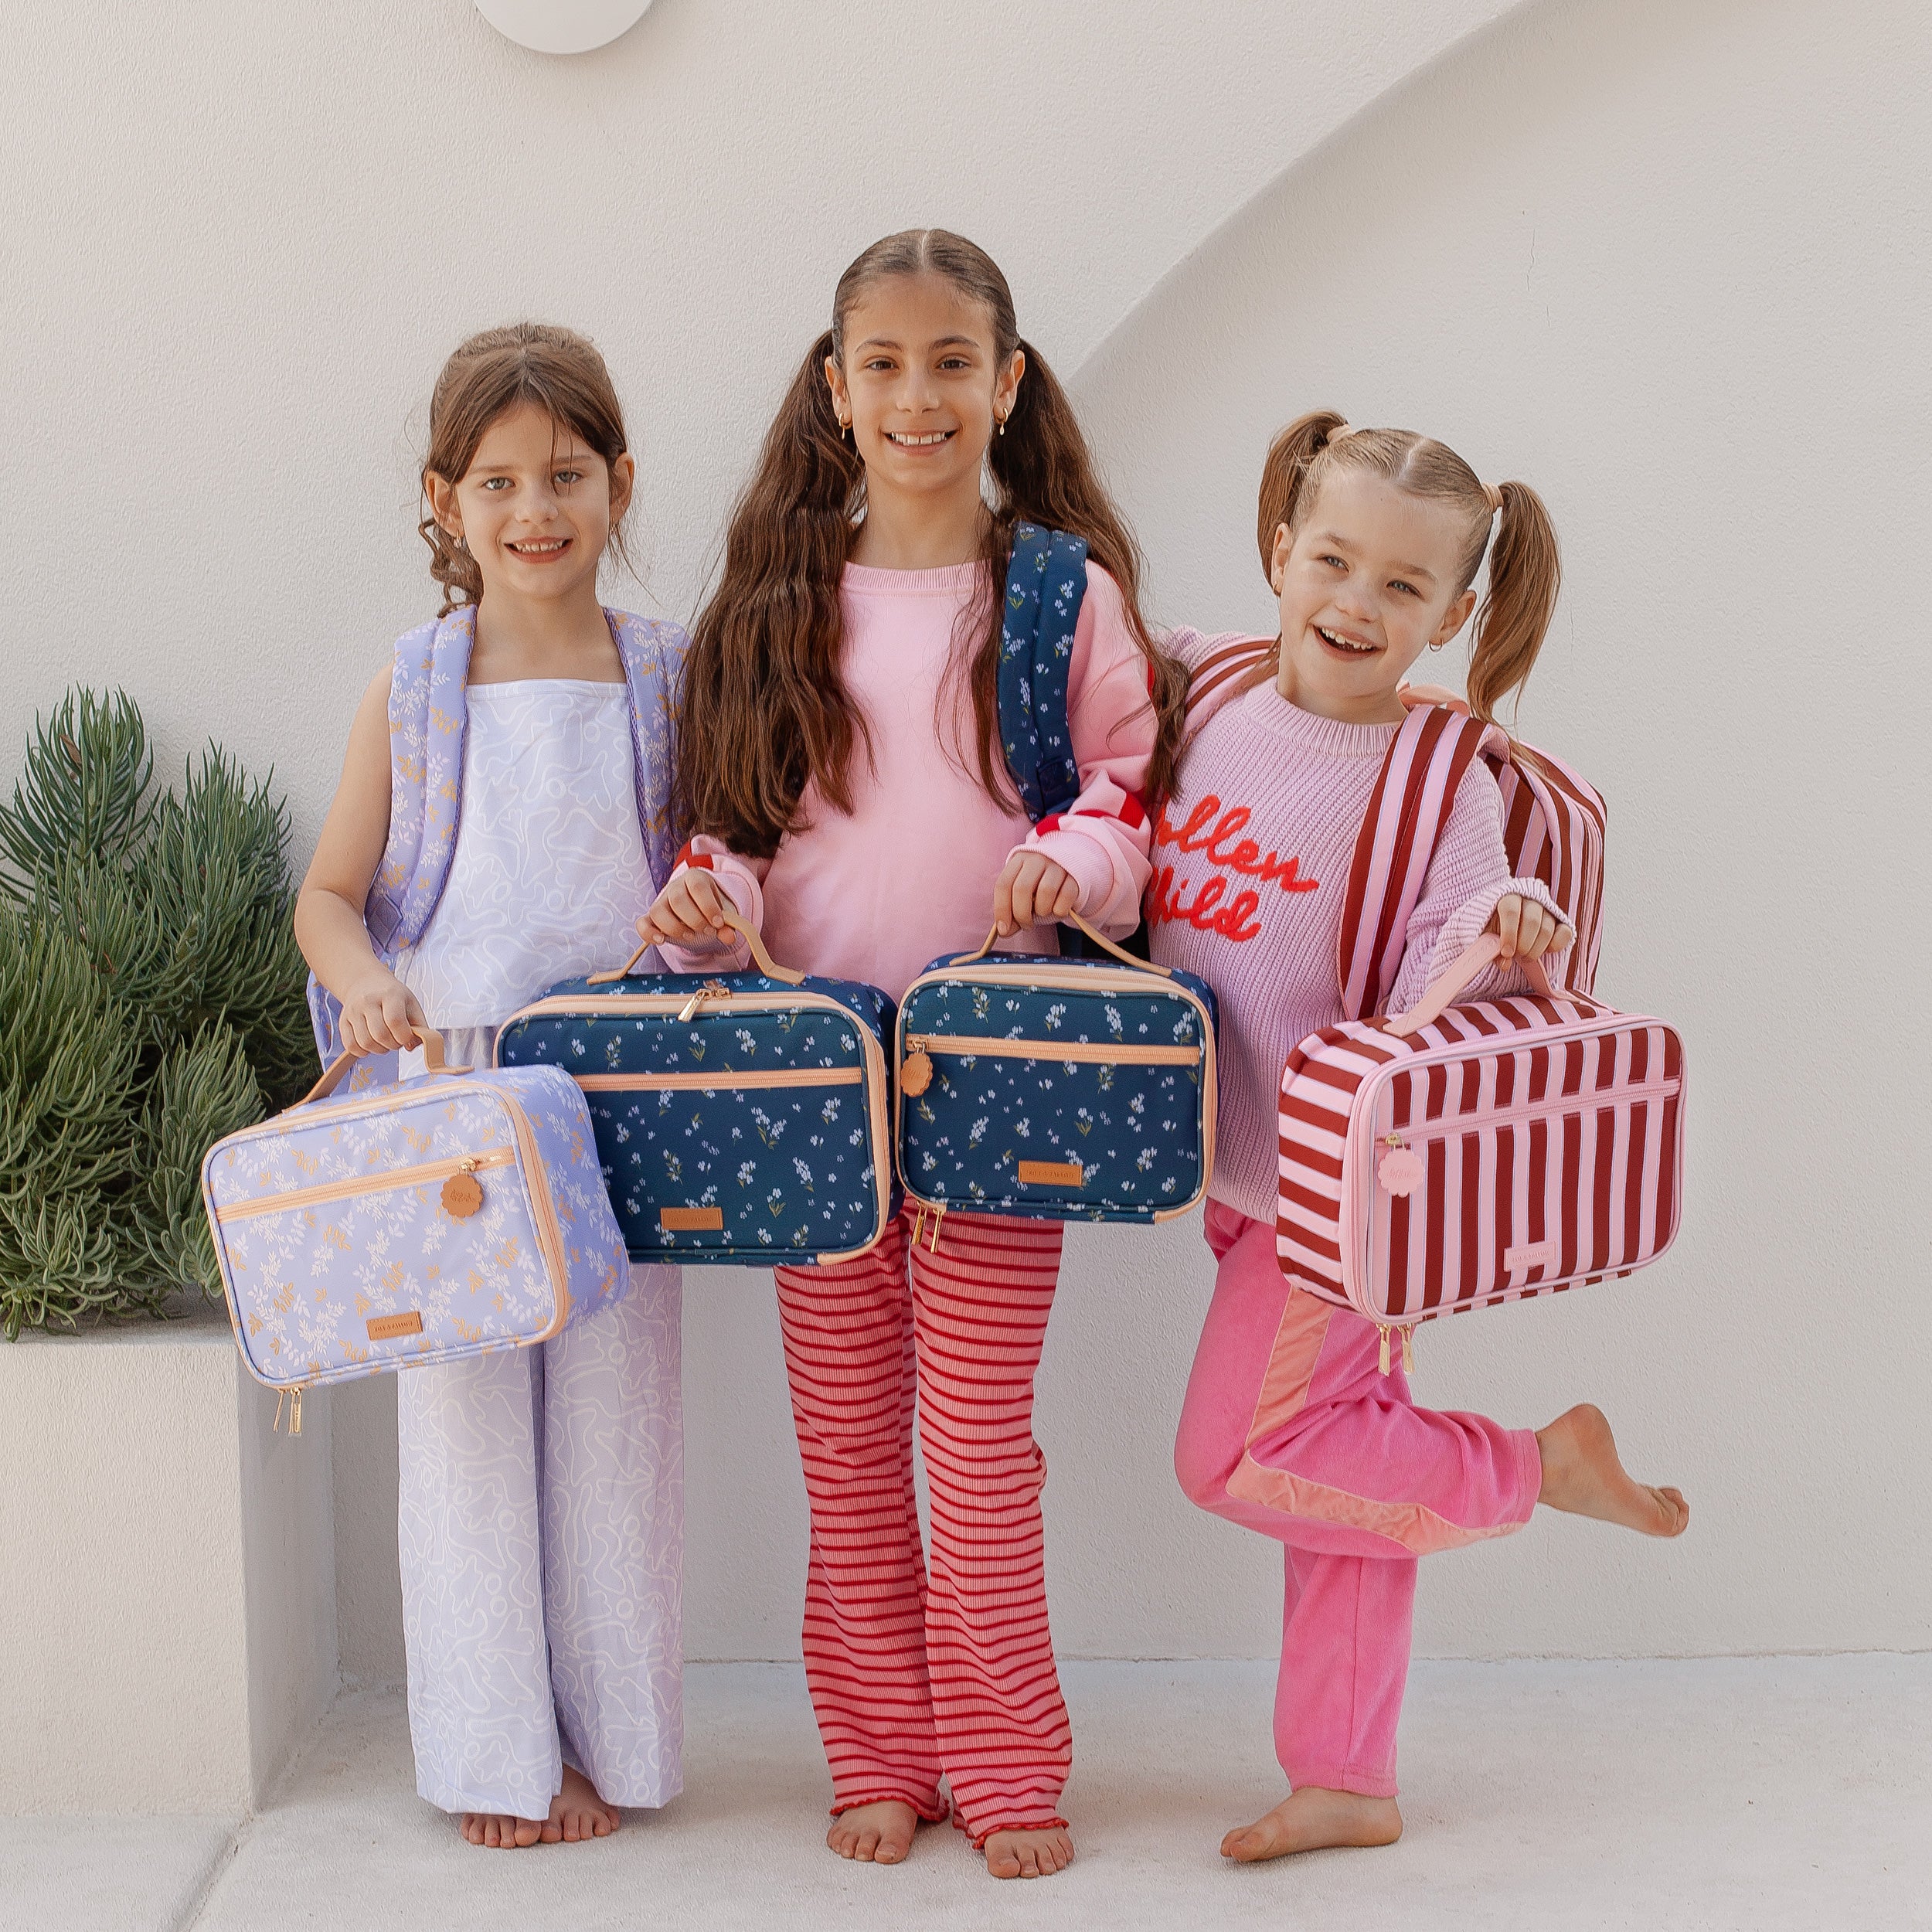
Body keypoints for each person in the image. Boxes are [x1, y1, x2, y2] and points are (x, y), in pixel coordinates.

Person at [634, 229, 1185, 1880]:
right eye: (882, 363)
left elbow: (1125, 793)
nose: (917, 394)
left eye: (951, 361)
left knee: (971, 1434)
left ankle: (1006, 1757)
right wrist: (704, 900)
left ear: (1005, 383)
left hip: (995, 1084)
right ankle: (876, 1748)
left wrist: (1075, 870)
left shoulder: (1059, 593)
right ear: (832, 386)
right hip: (817, 1092)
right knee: (850, 1447)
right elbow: (736, 825)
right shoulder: (780, 602)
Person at [1155, 411, 1689, 1863]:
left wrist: (1505, 923)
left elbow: (1465, 923)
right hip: (1231, 1163)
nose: (1354, 603)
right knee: (1336, 1452)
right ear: (1278, 551)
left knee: (1240, 1456)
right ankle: (1347, 1778)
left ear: (1454, 614)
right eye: (1332, 559)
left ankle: (1533, 1469)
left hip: (1340, 1195)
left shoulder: (1435, 775)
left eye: (1403, 587)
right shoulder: (1205, 694)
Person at [294, 324, 685, 1849]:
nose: (539, 506)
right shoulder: (413, 687)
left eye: (568, 473)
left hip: (615, 1104)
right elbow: (329, 892)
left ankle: (613, 1741)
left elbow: (714, 862)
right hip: (452, 1098)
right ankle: (491, 1752)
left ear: (618, 482)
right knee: (463, 1437)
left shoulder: (663, 672)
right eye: (502, 478)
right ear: (445, 499)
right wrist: (368, 978)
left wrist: (707, 918)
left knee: (617, 1433)